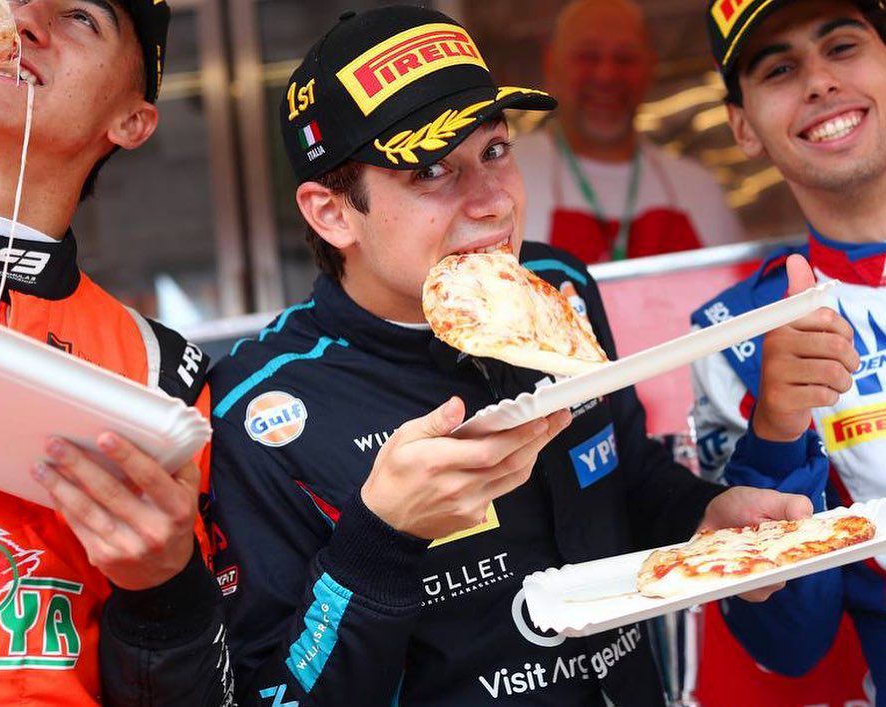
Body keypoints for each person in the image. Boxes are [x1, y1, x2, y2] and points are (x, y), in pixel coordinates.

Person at [202, 6, 857, 705]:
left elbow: (624, 474)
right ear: (332, 212)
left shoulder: (559, 287)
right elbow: (271, 692)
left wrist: (706, 515)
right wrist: (381, 537)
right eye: (430, 169)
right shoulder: (259, 410)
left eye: (493, 150)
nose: (491, 201)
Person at [0, 0, 229, 703]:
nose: (24, 21)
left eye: (78, 17)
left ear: (130, 121)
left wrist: (165, 592)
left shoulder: (163, 372)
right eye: (14, 0)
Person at [692, 0, 886, 698]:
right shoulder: (733, 335)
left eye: (840, 45)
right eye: (779, 67)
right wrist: (776, 433)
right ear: (743, 126)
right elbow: (787, 643)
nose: (817, 82)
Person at [514, 0, 745, 263]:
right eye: (588, 56)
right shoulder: (508, 176)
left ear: (651, 67)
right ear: (551, 64)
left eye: (625, 58)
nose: (606, 75)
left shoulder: (700, 189)